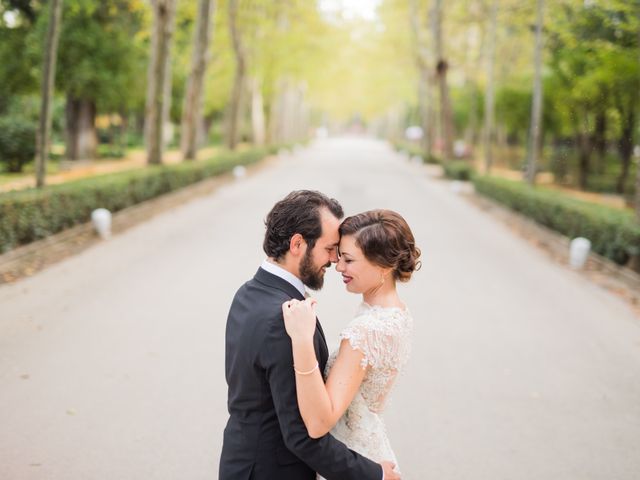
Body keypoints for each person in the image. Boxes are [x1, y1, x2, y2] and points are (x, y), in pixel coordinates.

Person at [219, 191, 400, 480]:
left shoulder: (249, 293)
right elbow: (302, 435)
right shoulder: (283, 318)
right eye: (330, 248)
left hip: (241, 462)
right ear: (298, 244)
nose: (334, 260)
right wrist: (375, 475)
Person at [282, 209, 420, 478]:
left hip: (355, 464)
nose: (338, 266)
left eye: (348, 259)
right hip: (370, 449)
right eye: (338, 256)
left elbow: (320, 422)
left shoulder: (365, 331)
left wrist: (301, 340)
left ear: (383, 265)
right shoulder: (398, 314)